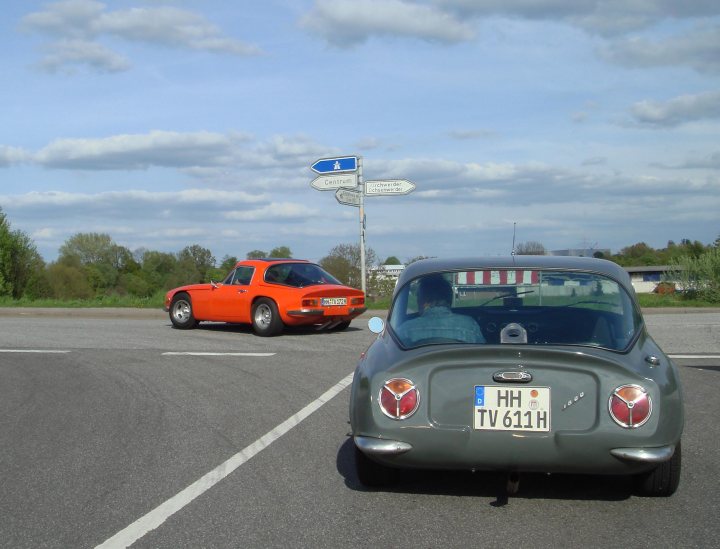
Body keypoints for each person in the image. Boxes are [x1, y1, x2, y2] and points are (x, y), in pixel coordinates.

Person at [397, 274, 485, 344]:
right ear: (449, 299)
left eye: (418, 298)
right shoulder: (470, 326)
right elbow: (481, 357)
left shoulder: (405, 330)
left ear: (423, 301)